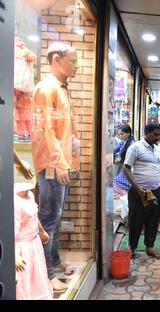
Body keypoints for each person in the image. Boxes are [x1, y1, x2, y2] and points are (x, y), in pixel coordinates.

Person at [31, 43, 80, 294]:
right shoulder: (46, 88)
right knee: (48, 220)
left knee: (55, 218)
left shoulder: (62, 89)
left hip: (61, 164)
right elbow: (44, 131)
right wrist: (59, 162)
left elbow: (64, 129)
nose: (77, 67)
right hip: (52, 166)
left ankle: (55, 263)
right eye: (73, 61)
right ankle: (46, 274)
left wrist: (74, 152)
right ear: (57, 59)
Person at [123, 122, 160, 260]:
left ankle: (150, 247)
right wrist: (138, 188)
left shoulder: (156, 148)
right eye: (155, 134)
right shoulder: (136, 147)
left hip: (155, 190)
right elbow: (126, 169)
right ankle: (132, 247)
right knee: (136, 220)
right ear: (146, 132)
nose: (158, 137)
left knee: (153, 220)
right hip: (138, 192)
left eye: (159, 134)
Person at [113, 124, 134, 197]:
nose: (120, 136)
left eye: (122, 134)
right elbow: (115, 150)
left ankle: (127, 198)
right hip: (124, 167)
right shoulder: (122, 142)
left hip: (130, 169)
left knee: (117, 183)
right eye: (119, 134)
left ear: (128, 133)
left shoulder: (132, 144)